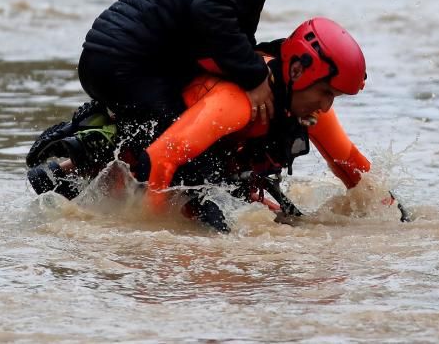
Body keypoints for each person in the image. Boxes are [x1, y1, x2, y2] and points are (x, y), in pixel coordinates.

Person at [28, 18, 405, 231]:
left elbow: (351, 167)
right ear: (295, 71)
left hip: (210, 172)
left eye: (334, 98)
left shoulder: (307, 105)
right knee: (222, 227)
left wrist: (399, 217)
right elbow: (160, 160)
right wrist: (156, 234)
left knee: (287, 225)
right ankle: (67, 168)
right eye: (325, 93)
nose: (326, 105)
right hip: (155, 164)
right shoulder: (235, 104)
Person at [78, 0, 335, 154]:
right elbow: (210, 10)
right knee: (189, 152)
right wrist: (254, 77)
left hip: (110, 59)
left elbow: (227, 34)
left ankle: (72, 166)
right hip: (124, 64)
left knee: (168, 141)